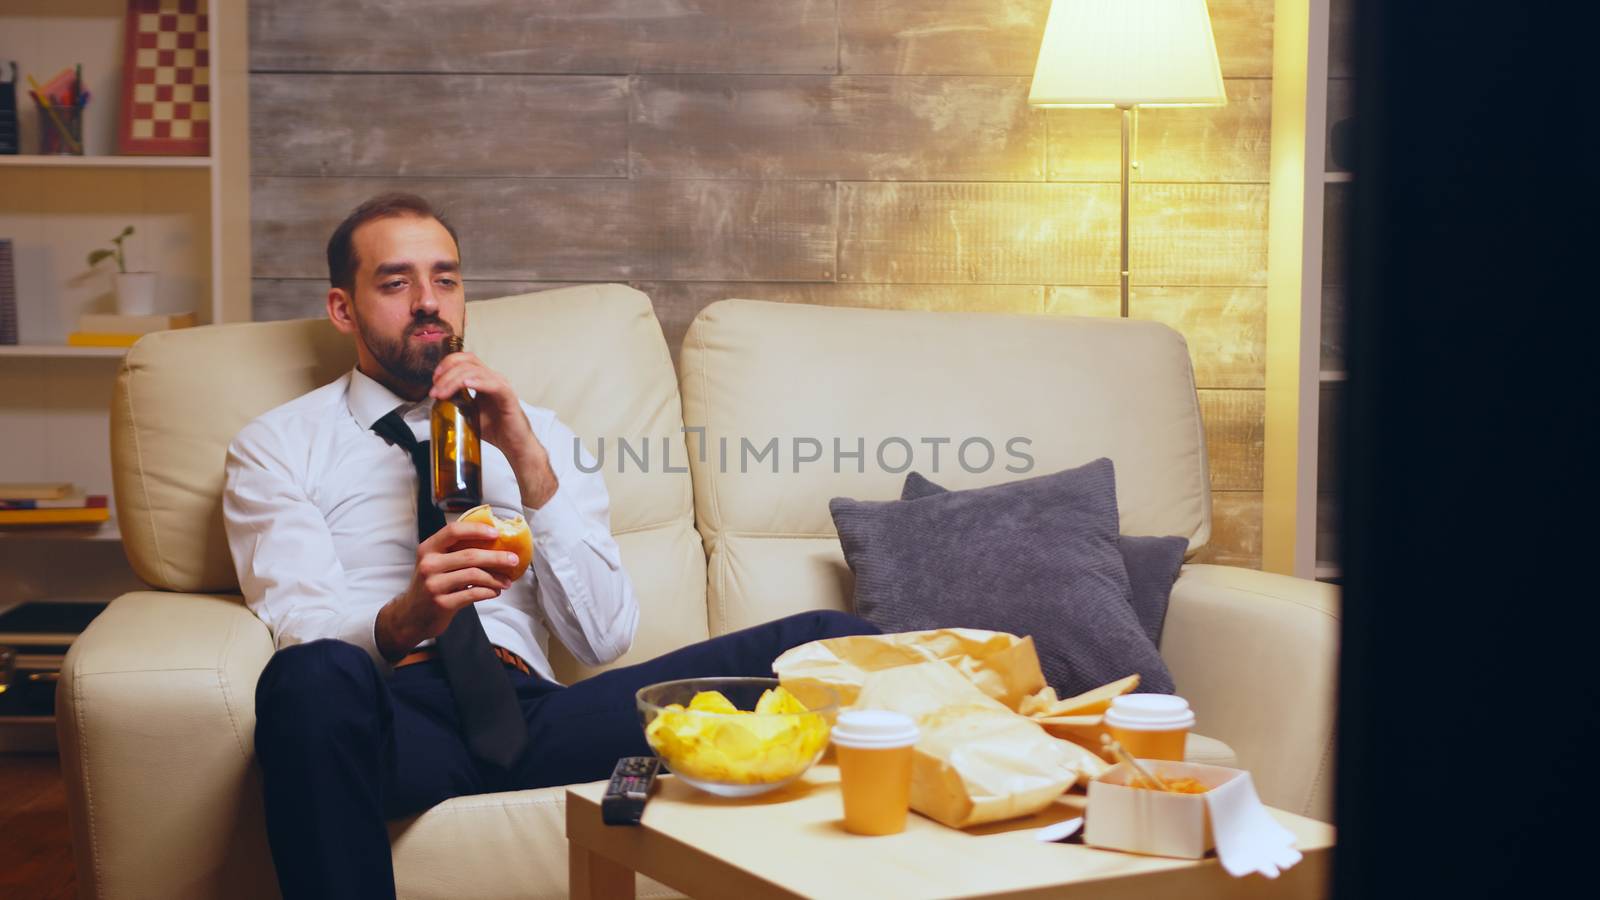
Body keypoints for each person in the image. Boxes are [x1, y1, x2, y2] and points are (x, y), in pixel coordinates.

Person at [224, 192, 878, 899]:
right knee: (306, 679)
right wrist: (407, 616)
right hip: (394, 716)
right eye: (395, 282)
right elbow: (303, 627)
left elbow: (604, 639)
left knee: (832, 641)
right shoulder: (277, 445)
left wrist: (526, 457)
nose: (427, 301)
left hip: (536, 716)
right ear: (342, 309)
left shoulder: (536, 432)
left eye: (445, 279)